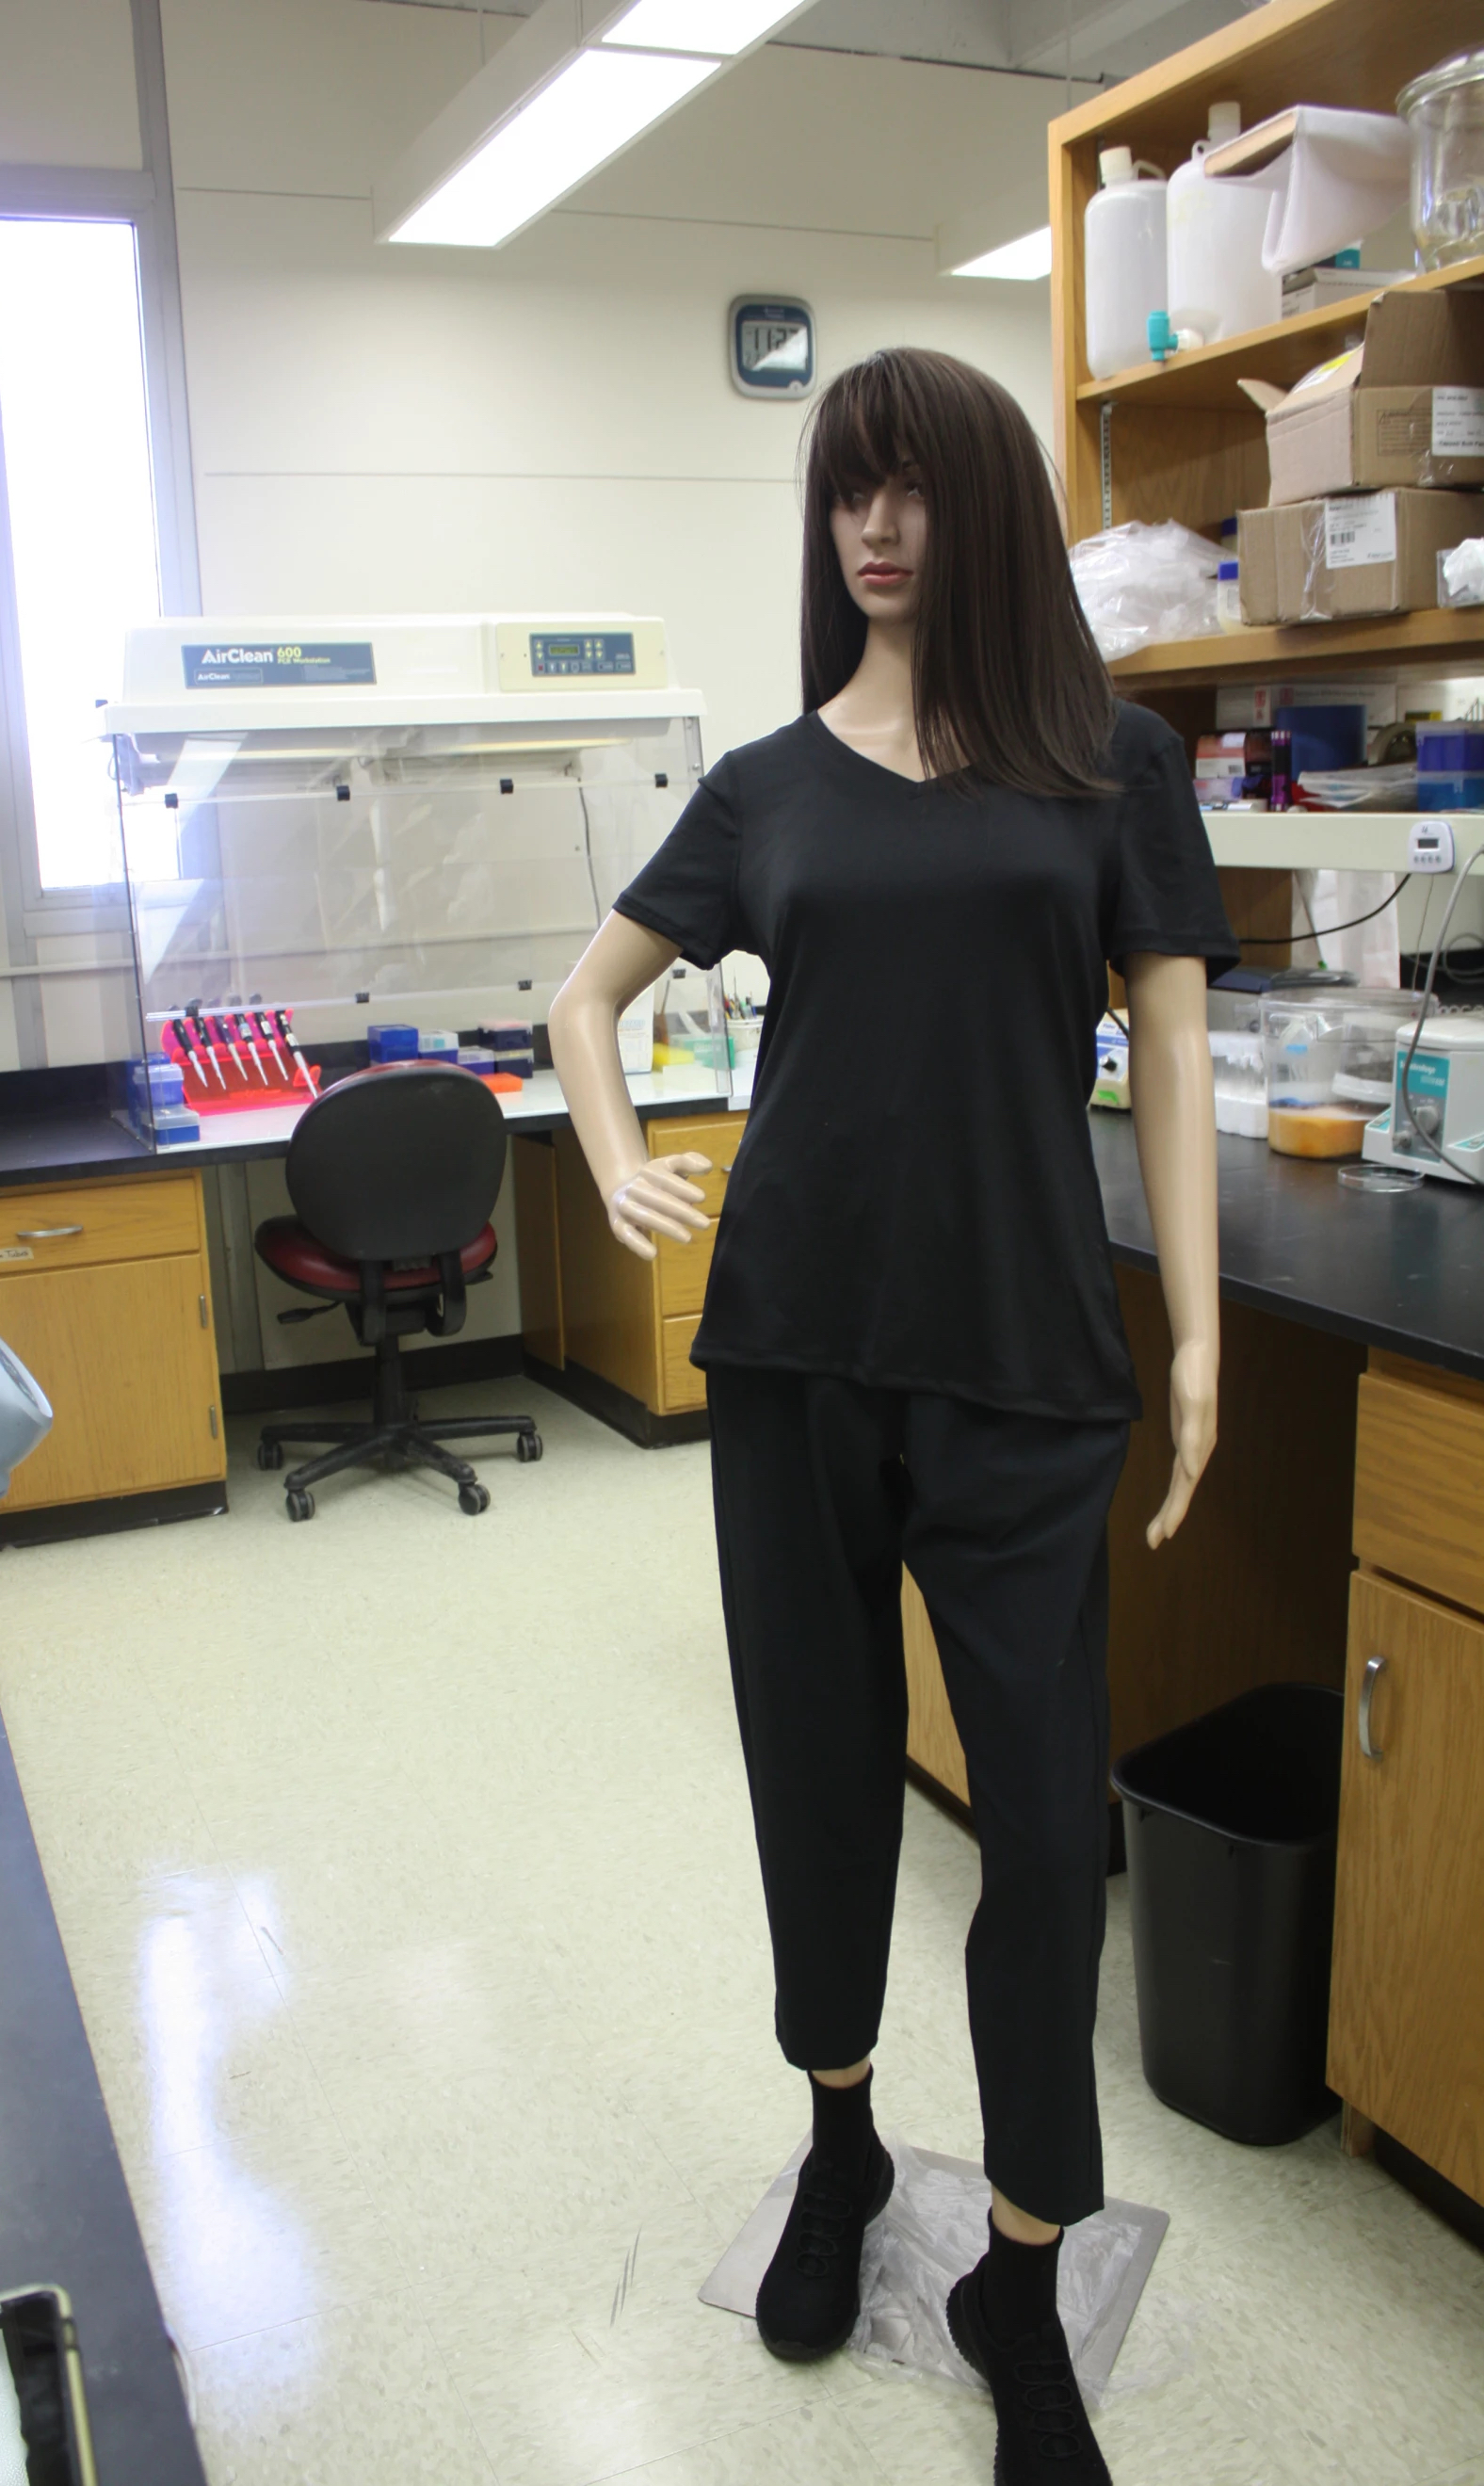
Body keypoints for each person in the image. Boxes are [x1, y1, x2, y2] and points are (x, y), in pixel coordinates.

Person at [548, 347, 1234, 2485]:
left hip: (1030, 1367)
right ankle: (840, 2148)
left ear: (983, 511)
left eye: (914, 487)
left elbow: (1182, 1065)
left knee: (1040, 1832)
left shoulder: (1108, 768)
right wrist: (604, 1153)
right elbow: (587, 995)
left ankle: (1021, 2260)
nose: (874, 523)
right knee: (820, 1786)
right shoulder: (765, 787)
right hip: (795, 1358)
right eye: (847, 487)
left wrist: (1197, 1339)